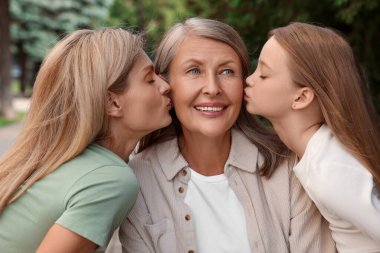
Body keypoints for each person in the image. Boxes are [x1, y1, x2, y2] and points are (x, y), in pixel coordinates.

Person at [119, 17, 336, 253]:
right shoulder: (137, 181)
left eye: (227, 71)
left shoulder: (290, 168)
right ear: (166, 84)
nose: (212, 88)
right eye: (194, 70)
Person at [0, 28, 172, 253]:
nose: (166, 86)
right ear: (113, 103)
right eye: (150, 79)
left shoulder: (63, 163)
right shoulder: (111, 179)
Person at [244, 22, 380, 252]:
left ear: (301, 97)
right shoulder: (317, 154)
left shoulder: (329, 171)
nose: (249, 79)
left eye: (263, 74)